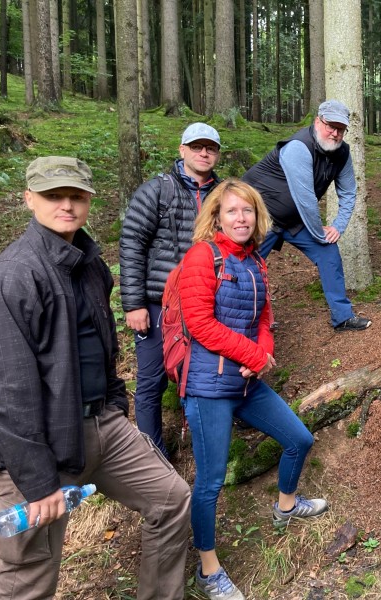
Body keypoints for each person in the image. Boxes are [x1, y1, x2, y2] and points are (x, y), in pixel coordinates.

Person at [0, 157, 191, 600]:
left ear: (89, 201)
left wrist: (116, 404)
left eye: (76, 196)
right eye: (54, 195)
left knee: (171, 499)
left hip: (104, 426)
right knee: (29, 575)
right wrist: (38, 484)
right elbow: (3, 393)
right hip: (40, 445)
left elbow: (102, 344)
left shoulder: (90, 263)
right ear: (29, 199)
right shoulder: (12, 276)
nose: (67, 205)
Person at [178, 179, 328, 600]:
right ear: (216, 217)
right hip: (208, 386)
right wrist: (252, 354)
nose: (240, 218)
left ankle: (285, 505)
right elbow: (200, 324)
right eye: (232, 211)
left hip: (246, 381)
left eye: (247, 211)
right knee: (209, 481)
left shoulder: (255, 261)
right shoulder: (201, 257)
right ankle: (209, 571)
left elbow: (264, 319)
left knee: (299, 439)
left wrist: (261, 351)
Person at [120, 122, 222, 457]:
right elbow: (132, 244)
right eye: (197, 146)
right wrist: (133, 304)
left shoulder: (224, 195)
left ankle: (206, 443)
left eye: (210, 147)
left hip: (205, 301)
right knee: (151, 380)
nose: (203, 152)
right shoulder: (157, 190)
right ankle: (154, 457)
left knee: (201, 372)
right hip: (156, 304)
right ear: (182, 150)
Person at [242, 99, 371, 332]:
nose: (334, 133)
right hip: (260, 217)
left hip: (294, 220)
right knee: (244, 267)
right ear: (317, 122)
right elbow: (306, 200)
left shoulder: (342, 153)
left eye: (340, 129)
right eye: (330, 126)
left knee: (328, 253)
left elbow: (349, 191)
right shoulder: (298, 147)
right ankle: (242, 323)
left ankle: (343, 317)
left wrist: (337, 227)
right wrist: (318, 232)